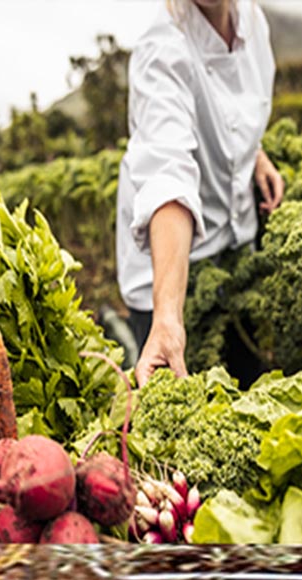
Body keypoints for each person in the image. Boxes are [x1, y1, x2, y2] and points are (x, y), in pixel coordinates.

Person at [115, 0, 284, 387]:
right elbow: (167, 172)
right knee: (177, 410)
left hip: (232, 241)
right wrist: (168, 318)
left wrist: (255, 155)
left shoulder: (253, 22)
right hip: (167, 264)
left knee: (247, 379)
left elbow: (232, 112)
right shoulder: (163, 48)